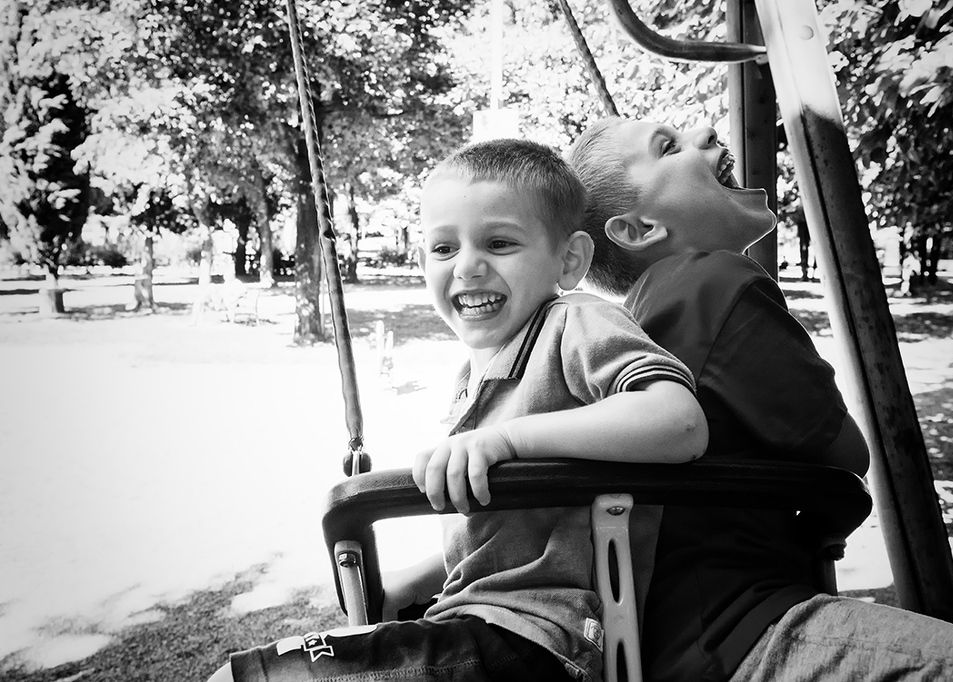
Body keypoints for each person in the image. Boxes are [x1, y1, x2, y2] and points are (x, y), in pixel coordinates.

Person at [208, 138, 708, 682]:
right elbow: (514, 540)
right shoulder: (472, 379)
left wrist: (508, 441)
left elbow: (678, 421)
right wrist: (418, 582)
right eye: (445, 249)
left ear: (569, 260)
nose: (468, 266)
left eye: (499, 243)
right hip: (480, 624)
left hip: (543, 638)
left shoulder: (576, 323)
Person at [568, 116, 953, 681]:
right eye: (668, 147)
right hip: (745, 627)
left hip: (662, 636)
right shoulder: (714, 281)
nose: (707, 133)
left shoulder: (633, 322)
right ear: (640, 228)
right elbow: (842, 451)